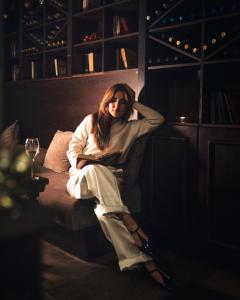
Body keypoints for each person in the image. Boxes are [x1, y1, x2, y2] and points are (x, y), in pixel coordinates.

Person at [67, 83, 174, 290]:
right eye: (113, 100)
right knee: (93, 169)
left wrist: (135, 103)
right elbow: (73, 147)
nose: (117, 105)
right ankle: (130, 221)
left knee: (105, 213)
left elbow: (157, 119)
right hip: (81, 179)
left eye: (123, 102)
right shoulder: (92, 121)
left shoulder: (132, 128)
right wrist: (80, 162)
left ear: (128, 106)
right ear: (106, 101)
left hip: (108, 182)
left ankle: (143, 262)